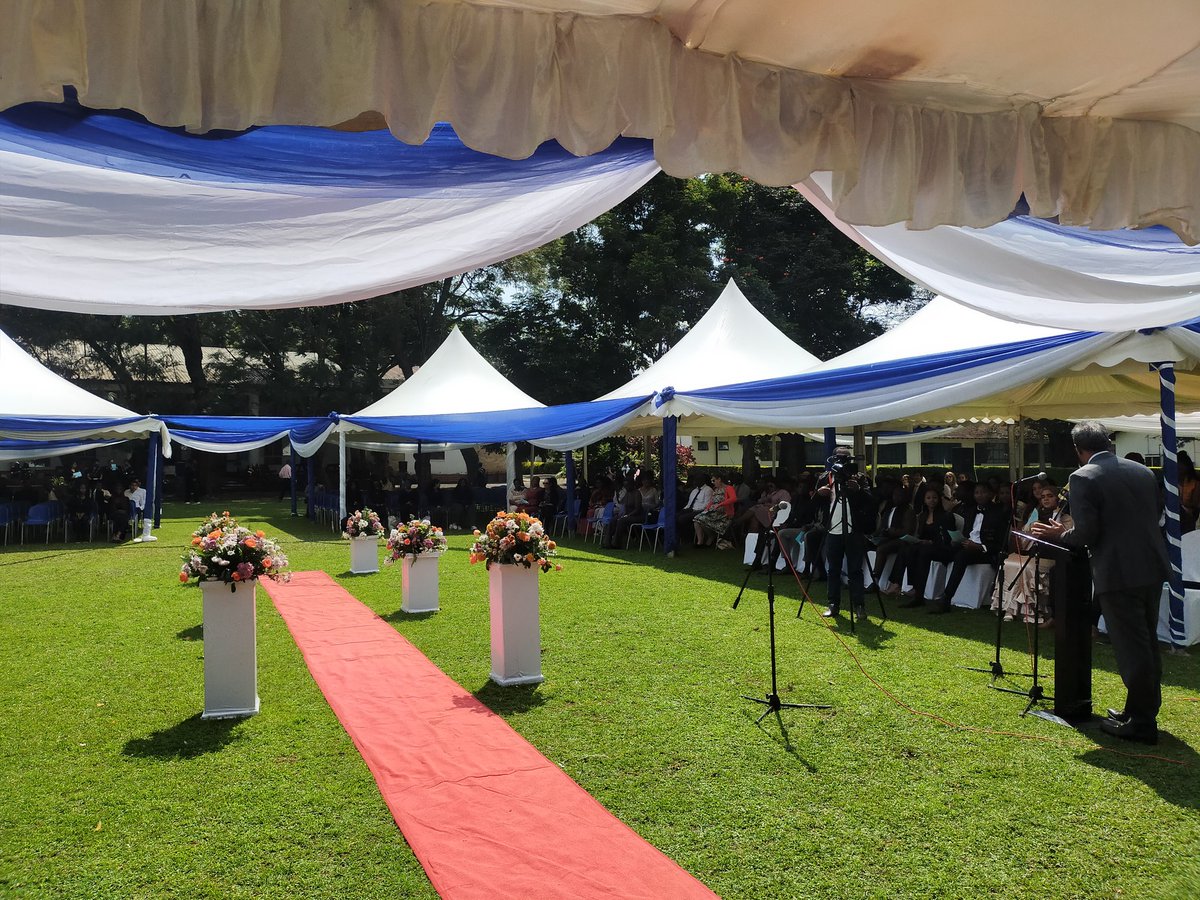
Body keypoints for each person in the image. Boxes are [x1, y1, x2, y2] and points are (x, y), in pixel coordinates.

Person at [1033, 421, 1168, 745]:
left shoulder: (1082, 477)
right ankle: (1138, 710)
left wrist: (1057, 534)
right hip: (1151, 567)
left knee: (1132, 649)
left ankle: (1143, 723)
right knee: (1147, 642)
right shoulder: (1142, 472)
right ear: (1108, 442)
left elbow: (1085, 534)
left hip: (1119, 573)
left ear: (1079, 450)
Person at [992, 485, 1072, 625]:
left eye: (1050, 496)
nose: (1046, 499)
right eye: (1043, 497)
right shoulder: (1036, 515)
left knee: (1027, 568)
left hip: (1052, 557)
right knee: (1009, 563)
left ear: (1057, 499)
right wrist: (1023, 530)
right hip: (1034, 553)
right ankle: (1009, 608)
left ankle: (1029, 611)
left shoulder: (1066, 518)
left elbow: (1068, 539)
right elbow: (1023, 542)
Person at [819, 448, 877, 620]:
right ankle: (833, 604)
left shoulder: (859, 477)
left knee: (855, 570)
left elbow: (870, 501)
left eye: (845, 458)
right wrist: (821, 494)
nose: (842, 462)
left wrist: (857, 489)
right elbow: (814, 501)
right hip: (832, 529)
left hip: (854, 530)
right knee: (833, 569)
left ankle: (859, 606)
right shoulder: (826, 477)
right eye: (839, 458)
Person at [693, 473, 736, 548]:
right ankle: (700, 541)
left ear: (719, 479)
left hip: (724, 514)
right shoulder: (715, 490)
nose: (712, 482)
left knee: (701, 519)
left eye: (713, 480)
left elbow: (733, 498)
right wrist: (706, 509)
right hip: (713, 512)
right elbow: (711, 502)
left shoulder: (729, 488)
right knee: (696, 520)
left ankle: (710, 537)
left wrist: (720, 504)